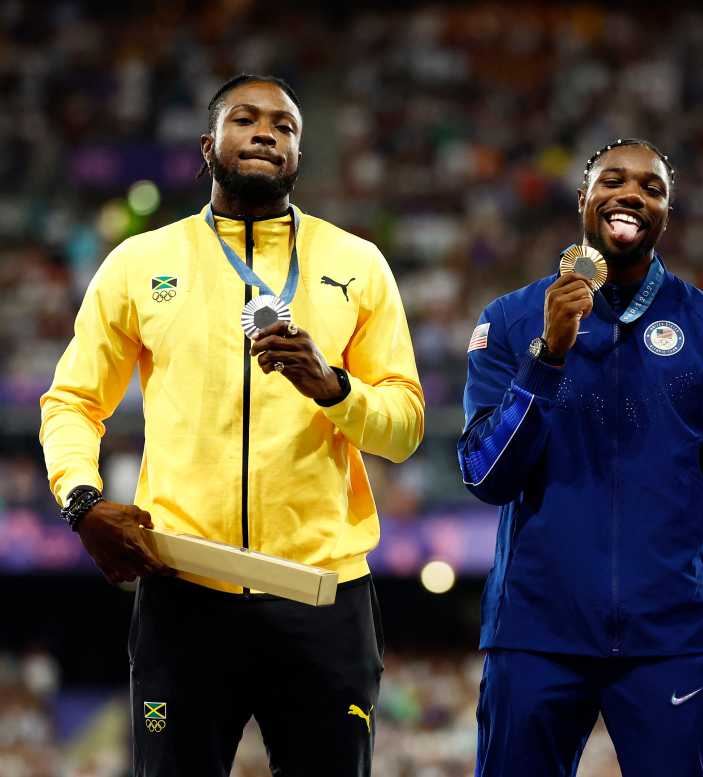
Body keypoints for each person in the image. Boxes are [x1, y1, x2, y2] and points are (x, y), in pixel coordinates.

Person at [39, 73, 424, 776]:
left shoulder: (356, 264)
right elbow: (71, 401)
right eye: (245, 119)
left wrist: (335, 389)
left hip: (323, 594)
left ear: (299, 154)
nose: (266, 133)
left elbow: (403, 427)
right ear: (208, 144)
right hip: (185, 591)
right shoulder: (140, 263)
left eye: (284, 126)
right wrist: (82, 502)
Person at [458, 138, 703, 775]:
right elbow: (486, 475)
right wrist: (547, 356)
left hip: (669, 637)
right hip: (535, 634)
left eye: (652, 188)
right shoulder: (513, 320)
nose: (631, 194)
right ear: (583, 199)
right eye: (613, 180)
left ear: (666, 214)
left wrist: (668, 545)